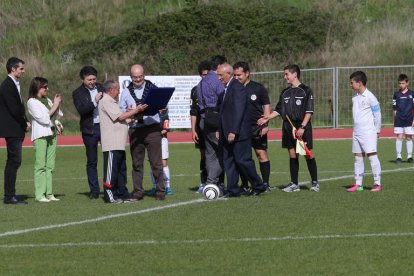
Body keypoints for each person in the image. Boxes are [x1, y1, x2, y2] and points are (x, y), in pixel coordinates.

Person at [258, 64, 319, 192]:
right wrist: (267, 117)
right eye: (285, 74)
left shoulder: (305, 91)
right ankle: (294, 184)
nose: (285, 76)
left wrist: (302, 127)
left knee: (306, 153)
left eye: (287, 74)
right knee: (292, 154)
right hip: (287, 127)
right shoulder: (285, 92)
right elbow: (279, 110)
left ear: (295, 74)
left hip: (301, 126)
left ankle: (314, 182)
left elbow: (309, 111)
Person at [217, 63, 267, 197]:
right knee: (229, 161)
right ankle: (233, 189)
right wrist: (220, 129)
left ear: (228, 74)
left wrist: (233, 131)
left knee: (243, 160)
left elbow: (239, 111)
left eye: (220, 75)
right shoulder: (227, 88)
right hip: (227, 133)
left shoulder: (237, 88)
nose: (219, 78)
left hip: (239, 133)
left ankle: (258, 185)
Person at [119, 64, 165, 201]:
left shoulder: (153, 89)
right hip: (135, 130)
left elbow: (163, 107)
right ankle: (138, 192)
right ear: (130, 77)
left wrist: (163, 109)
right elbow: (121, 113)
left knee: (156, 163)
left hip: (152, 129)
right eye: (135, 77)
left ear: (144, 75)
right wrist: (129, 113)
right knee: (136, 163)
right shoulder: (126, 92)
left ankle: (160, 191)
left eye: (140, 77)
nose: (138, 80)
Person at [99, 80, 147, 203]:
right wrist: (135, 110)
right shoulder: (105, 101)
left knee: (121, 170)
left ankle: (122, 193)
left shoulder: (113, 102)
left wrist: (133, 115)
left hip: (119, 143)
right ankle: (109, 195)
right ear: (111, 90)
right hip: (111, 143)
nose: (119, 91)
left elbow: (123, 119)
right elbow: (120, 117)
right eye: (117, 89)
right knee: (111, 171)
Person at [233, 61, 271, 192]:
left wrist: (265, 123)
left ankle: (265, 184)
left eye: (239, 75)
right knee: (243, 158)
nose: (237, 78)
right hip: (241, 128)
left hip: (257, 127)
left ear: (247, 73)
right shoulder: (233, 88)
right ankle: (245, 184)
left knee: (261, 154)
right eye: (235, 75)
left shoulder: (258, 88)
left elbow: (266, 106)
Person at [27, 77, 63, 202]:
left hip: (52, 134)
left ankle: (49, 193)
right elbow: (43, 119)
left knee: (50, 166)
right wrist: (56, 104)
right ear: (37, 87)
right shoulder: (31, 102)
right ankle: (39, 195)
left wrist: (56, 107)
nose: (47, 89)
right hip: (41, 135)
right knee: (40, 165)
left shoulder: (46, 100)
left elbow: (57, 114)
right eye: (44, 87)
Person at [0, 57, 30, 205]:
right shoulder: (7, 85)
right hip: (12, 129)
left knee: (14, 161)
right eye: (21, 69)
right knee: (14, 161)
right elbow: (14, 109)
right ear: (13, 69)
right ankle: (9, 196)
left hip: (15, 128)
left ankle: (10, 194)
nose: (23, 71)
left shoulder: (14, 84)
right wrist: (24, 122)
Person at [346, 71, 382, 192]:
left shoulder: (370, 97)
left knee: (372, 156)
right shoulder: (355, 97)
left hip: (368, 132)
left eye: (352, 83)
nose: (351, 85)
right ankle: (358, 184)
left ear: (360, 83)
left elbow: (377, 114)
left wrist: (377, 130)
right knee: (358, 157)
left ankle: (377, 183)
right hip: (357, 132)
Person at [72, 66, 103, 199]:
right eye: (89, 79)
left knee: (111, 157)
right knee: (92, 161)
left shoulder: (103, 88)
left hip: (105, 127)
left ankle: (112, 187)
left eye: (94, 79)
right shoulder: (77, 93)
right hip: (89, 129)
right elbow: (82, 111)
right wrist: (94, 101)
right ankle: (94, 190)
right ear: (82, 79)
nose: (92, 82)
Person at [196, 56, 226, 192]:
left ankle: (211, 181)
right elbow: (223, 99)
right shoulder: (217, 81)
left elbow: (200, 104)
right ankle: (212, 181)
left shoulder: (200, 84)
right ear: (217, 67)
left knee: (210, 153)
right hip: (216, 119)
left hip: (204, 119)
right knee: (224, 152)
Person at [190, 60, 210, 193]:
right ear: (199, 75)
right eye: (204, 75)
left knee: (216, 155)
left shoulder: (217, 88)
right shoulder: (195, 90)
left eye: (208, 74)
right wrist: (193, 130)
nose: (206, 77)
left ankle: (218, 182)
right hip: (201, 128)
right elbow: (193, 111)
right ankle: (203, 183)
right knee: (203, 155)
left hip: (215, 127)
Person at [148, 109, 173, 196]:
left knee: (163, 163)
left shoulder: (165, 115)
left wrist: (156, 134)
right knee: (152, 163)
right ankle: (155, 186)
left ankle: (167, 186)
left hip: (162, 140)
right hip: (151, 141)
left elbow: (166, 129)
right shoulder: (151, 113)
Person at [392, 74, 414, 164]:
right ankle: (399, 157)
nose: (401, 85)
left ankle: (409, 156)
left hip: (409, 119)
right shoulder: (396, 94)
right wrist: (396, 117)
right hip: (399, 120)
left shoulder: (412, 94)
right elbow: (394, 108)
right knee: (399, 137)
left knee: (409, 137)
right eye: (400, 83)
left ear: (407, 83)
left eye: (403, 83)